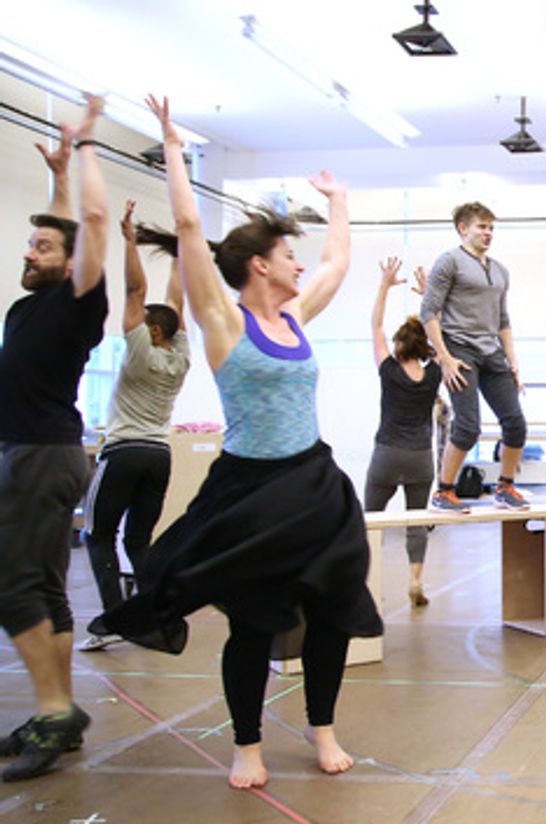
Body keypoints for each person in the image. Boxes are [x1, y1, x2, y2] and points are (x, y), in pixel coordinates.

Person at [99, 96, 382, 789]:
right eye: (288, 255)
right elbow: (190, 228)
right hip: (251, 492)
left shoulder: (297, 316)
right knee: (254, 623)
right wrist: (174, 150)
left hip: (314, 483)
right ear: (259, 265)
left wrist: (339, 201)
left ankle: (322, 726)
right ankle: (247, 744)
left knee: (333, 614)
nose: (299, 265)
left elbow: (338, 262)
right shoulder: (225, 323)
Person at [0, 95, 108, 781]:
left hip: (40, 455)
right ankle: (58, 712)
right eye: (29, 243)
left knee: (12, 589)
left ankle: (54, 710)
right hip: (35, 452)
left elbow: (89, 226)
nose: (29, 250)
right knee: (44, 587)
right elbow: (68, 224)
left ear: (70, 265)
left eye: (42, 247)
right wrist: (60, 176)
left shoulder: (78, 302)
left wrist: (88, 145)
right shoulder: (29, 305)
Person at [79, 201, 192, 652]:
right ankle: (155, 618)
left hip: (124, 452)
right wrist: (180, 258)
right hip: (159, 456)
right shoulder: (181, 358)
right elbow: (176, 303)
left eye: (145, 323)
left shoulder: (141, 351)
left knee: (96, 536)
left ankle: (112, 621)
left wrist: (129, 241)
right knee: (138, 542)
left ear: (154, 332)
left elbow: (135, 290)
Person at [420, 202, 528, 511]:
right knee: (468, 428)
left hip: (492, 351)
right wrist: (444, 357)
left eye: (491, 227)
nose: (488, 233)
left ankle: (505, 487)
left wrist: (513, 360)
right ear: (463, 228)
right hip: (459, 349)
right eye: (482, 227)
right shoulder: (449, 262)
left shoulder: (500, 271)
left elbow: (503, 319)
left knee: (516, 424)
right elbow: (428, 311)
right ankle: (444, 492)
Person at [364, 257, 442, 608]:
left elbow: (376, 325)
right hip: (420, 458)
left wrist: (384, 285)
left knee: (371, 520)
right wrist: (429, 299)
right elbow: (443, 336)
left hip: (387, 454)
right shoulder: (433, 374)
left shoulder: (388, 370)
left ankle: (366, 583)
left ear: (398, 345)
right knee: (416, 521)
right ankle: (415, 580)